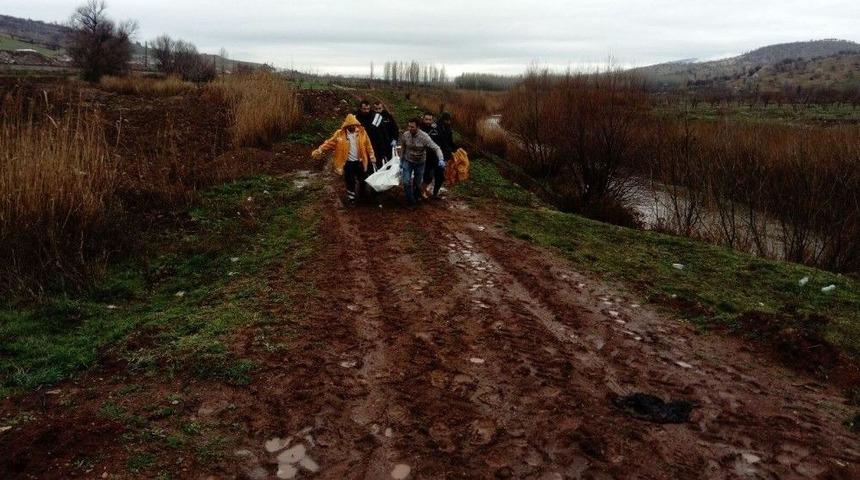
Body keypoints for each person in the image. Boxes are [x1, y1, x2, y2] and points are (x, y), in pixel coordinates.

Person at [311, 114, 376, 204]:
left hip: (360, 161)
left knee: (363, 179)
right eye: (350, 125)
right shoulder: (339, 134)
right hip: (348, 163)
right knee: (350, 180)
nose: (352, 127)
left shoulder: (362, 132)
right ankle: (351, 198)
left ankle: (362, 196)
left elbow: (368, 145)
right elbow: (329, 143)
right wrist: (320, 150)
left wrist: (372, 157)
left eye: (354, 125)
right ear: (346, 126)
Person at [400, 118, 445, 206]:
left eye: (412, 127)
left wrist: (441, 159)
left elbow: (436, 148)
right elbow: (403, 148)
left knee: (418, 183)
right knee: (406, 181)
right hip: (408, 161)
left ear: (418, 127)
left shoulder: (424, 137)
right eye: (409, 126)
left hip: (420, 163)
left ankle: (416, 196)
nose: (409, 129)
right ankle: (410, 201)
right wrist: (401, 160)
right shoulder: (405, 135)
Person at [419, 112, 450, 199]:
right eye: (426, 119)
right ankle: (420, 192)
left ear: (432, 120)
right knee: (427, 177)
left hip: (437, 156)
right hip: (425, 157)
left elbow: (443, 141)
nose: (428, 122)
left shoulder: (436, 129)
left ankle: (435, 194)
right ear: (423, 119)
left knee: (440, 176)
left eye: (430, 120)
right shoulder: (420, 129)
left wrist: (447, 153)